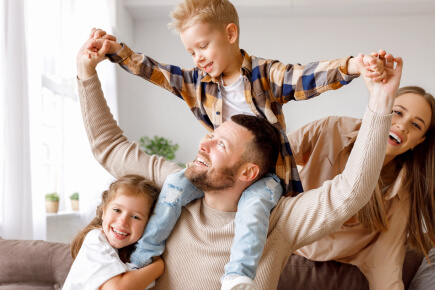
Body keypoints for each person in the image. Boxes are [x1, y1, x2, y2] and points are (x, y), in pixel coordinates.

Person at [84, 0, 386, 285]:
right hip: (213, 180)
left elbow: (305, 77)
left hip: (266, 181)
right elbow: (158, 75)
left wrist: (353, 67)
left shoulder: (264, 77)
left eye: (203, 46)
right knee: (176, 185)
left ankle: (238, 277)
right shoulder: (198, 84)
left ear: (230, 33)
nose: (198, 58)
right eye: (191, 52)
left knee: (253, 208)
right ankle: (141, 258)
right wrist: (114, 53)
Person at [285, 86, 435, 289]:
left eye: (416, 125)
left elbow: (386, 263)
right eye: (398, 112)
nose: (402, 125)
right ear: (380, 108)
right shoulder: (331, 129)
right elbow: (269, 160)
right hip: (281, 237)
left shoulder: (402, 190)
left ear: (418, 142)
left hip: (335, 262)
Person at [63, 175, 165, 290]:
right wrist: (159, 267)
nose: (122, 222)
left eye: (135, 217)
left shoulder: (138, 253)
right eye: (117, 210)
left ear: (148, 224)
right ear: (104, 211)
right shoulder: (96, 239)